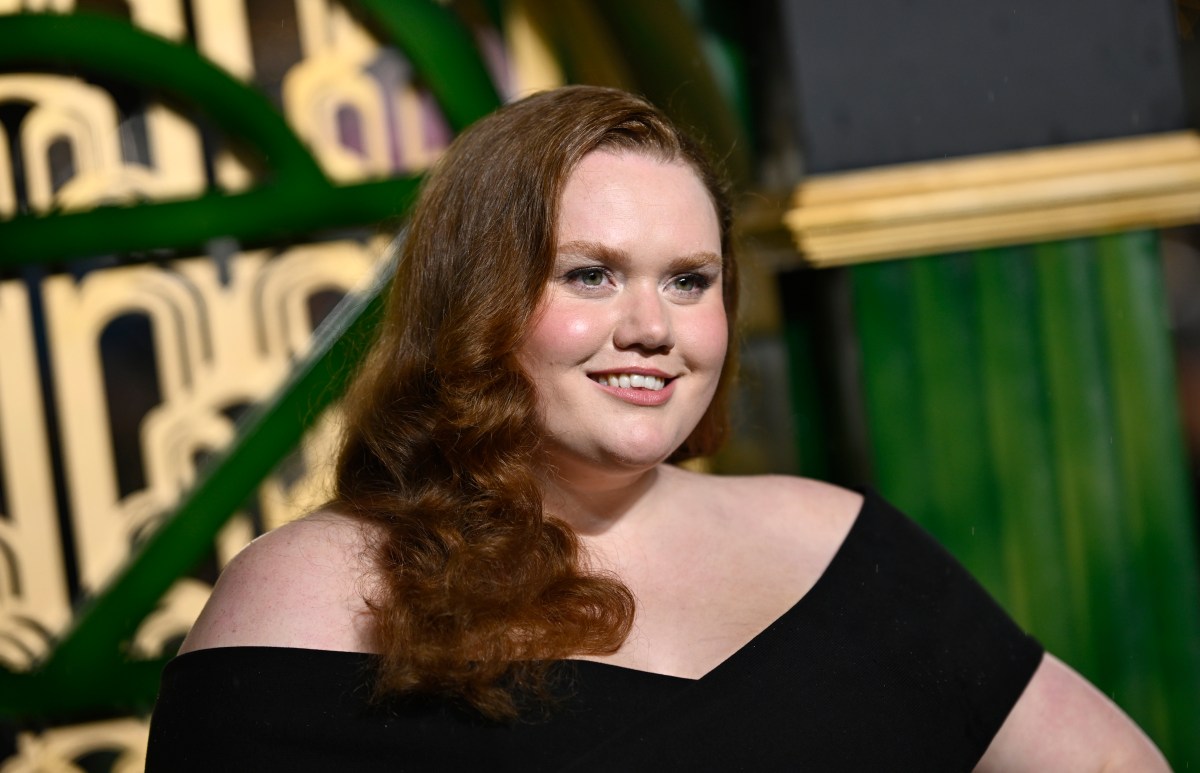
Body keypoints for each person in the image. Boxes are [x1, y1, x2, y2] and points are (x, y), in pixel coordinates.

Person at [146, 85, 1168, 771]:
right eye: (590, 274)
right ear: (476, 301)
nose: (652, 327)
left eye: (690, 281)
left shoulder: (830, 540)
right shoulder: (314, 593)